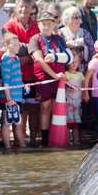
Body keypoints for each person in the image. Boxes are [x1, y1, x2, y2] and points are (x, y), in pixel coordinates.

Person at [29, 11, 73, 146]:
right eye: (44, 24)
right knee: (45, 107)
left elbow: (68, 58)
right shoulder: (35, 39)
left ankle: (58, 138)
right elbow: (40, 61)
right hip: (44, 78)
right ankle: (44, 140)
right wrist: (54, 75)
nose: (47, 27)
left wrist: (60, 73)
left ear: (54, 25)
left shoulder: (58, 39)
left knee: (57, 107)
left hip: (59, 79)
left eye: (49, 24)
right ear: (39, 25)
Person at [4, 0, 41, 145]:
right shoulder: (9, 26)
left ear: (32, 8)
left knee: (33, 109)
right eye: (21, 6)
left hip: (34, 75)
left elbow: (40, 48)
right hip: (15, 77)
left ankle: (32, 139)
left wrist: (28, 56)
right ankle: (20, 140)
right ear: (16, 7)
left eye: (27, 6)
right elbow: (11, 52)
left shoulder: (37, 26)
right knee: (19, 110)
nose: (24, 9)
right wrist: (27, 57)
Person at [0, 32, 25, 149]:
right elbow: (6, 81)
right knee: (7, 122)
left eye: (18, 44)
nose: (17, 47)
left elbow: (16, 77)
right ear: (7, 45)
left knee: (17, 123)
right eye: (14, 45)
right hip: (9, 98)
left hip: (17, 96)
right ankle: (7, 147)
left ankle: (21, 145)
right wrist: (8, 99)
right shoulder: (6, 60)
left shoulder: (16, 59)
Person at [59, 5, 95, 72]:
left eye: (79, 17)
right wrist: (66, 45)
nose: (78, 19)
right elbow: (58, 51)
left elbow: (93, 52)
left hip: (83, 71)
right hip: (65, 71)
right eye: (75, 17)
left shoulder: (85, 33)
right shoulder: (60, 33)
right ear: (67, 19)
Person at [64, 53, 84, 145]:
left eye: (76, 62)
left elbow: (84, 86)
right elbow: (64, 84)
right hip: (68, 102)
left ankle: (76, 140)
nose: (74, 64)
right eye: (71, 62)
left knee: (76, 122)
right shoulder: (66, 74)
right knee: (68, 122)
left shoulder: (80, 74)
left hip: (78, 102)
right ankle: (67, 140)